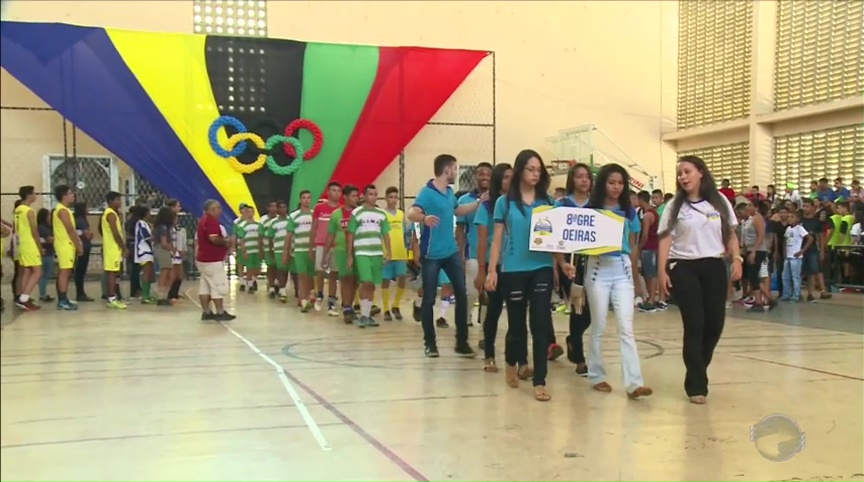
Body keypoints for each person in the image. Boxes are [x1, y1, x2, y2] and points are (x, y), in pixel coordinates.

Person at [657, 155, 742, 405]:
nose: (683, 177)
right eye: (680, 173)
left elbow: (731, 234)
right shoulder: (674, 206)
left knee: (714, 324)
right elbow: (665, 239)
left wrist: (736, 258)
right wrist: (662, 270)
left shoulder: (719, 201)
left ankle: (697, 368)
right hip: (684, 267)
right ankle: (696, 384)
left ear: (700, 173)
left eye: (687, 171)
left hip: (714, 265)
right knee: (695, 324)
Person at [564, 164, 652, 400]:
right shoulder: (591, 208)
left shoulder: (629, 210)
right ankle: (596, 375)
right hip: (597, 269)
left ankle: (634, 383)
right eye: (611, 182)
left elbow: (632, 244)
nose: (616, 187)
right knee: (599, 325)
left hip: (621, 268)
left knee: (626, 327)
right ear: (603, 183)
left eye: (620, 183)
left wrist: (635, 275)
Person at [486, 149, 554, 401]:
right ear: (519, 171)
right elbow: (496, 241)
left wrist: (561, 264)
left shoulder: (547, 202)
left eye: (539, 170)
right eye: (530, 169)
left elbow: (554, 240)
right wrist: (492, 270)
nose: (535, 174)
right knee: (517, 325)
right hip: (513, 269)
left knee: (540, 323)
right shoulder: (505, 203)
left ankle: (540, 381)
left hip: (541, 267)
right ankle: (511, 361)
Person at [407, 154, 485, 358]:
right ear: (447, 170)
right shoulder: (427, 193)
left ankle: (462, 341)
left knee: (461, 293)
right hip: (432, 254)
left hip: (450, 252)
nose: (456, 173)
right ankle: (430, 343)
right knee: (429, 297)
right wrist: (424, 217)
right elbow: (411, 213)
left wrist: (478, 203)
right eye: (455, 169)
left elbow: (458, 211)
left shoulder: (450, 193)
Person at [552, 163, 594, 376]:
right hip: (569, 264)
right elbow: (554, 238)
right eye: (579, 176)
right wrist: (558, 265)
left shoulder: (597, 206)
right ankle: (579, 358)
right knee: (578, 308)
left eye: (587, 176)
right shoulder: (561, 205)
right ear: (572, 180)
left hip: (593, 263)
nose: (584, 180)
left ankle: (571, 340)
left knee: (591, 313)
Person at [475, 163, 513, 373]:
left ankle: (514, 358)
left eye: (513, 176)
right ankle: (489, 354)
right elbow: (482, 241)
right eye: (506, 177)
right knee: (494, 310)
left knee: (516, 313)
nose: (511, 180)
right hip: (495, 265)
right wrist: (483, 269)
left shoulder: (520, 203)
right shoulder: (487, 206)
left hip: (515, 265)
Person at [347, 185, 392, 327]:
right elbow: (351, 234)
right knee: (365, 281)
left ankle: (366, 316)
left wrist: (388, 251)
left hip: (376, 253)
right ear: (364, 196)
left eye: (375, 194)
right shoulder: (356, 213)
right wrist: (350, 255)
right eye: (370, 194)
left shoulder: (381, 214)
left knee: (372, 284)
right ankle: (363, 314)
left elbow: (385, 234)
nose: (373, 196)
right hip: (362, 252)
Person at [456, 162, 493, 327]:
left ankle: (486, 324)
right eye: (481, 174)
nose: (484, 177)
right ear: (475, 177)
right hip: (472, 253)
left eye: (488, 174)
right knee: (471, 291)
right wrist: (460, 252)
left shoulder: (499, 199)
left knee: (490, 293)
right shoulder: (464, 200)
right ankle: (465, 318)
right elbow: (460, 229)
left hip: (494, 254)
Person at [322, 185, 361, 323]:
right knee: (345, 278)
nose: (355, 198)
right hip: (342, 250)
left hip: (358, 250)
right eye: (353, 196)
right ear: (345, 197)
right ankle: (346, 307)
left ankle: (350, 304)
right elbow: (330, 235)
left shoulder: (359, 213)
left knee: (355, 279)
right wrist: (325, 253)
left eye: (357, 196)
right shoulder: (336, 214)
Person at [196, 199, 236, 321]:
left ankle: (206, 311)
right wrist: (226, 241)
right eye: (218, 208)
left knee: (205, 286)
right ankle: (220, 311)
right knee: (217, 285)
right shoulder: (211, 220)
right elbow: (213, 239)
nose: (220, 210)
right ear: (213, 209)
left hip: (203, 259)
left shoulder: (203, 220)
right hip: (212, 259)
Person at [381, 186, 411, 321]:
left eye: (395, 197)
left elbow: (404, 233)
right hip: (387, 252)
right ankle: (386, 308)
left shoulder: (401, 214)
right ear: (386, 198)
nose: (393, 200)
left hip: (400, 252)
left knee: (402, 277)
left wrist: (407, 249)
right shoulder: (382, 214)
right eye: (391, 197)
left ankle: (396, 305)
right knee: (386, 280)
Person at [311, 182, 342, 314]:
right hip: (321, 244)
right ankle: (319, 294)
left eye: (338, 191)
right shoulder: (319, 208)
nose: (336, 193)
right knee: (320, 271)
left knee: (334, 273)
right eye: (333, 190)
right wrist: (311, 245)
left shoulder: (341, 210)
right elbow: (314, 227)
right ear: (328, 192)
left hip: (336, 246)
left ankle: (331, 300)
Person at [51, 185, 83, 311]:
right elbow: (70, 230)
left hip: (66, 245)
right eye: (70, 193)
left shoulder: (64, 210)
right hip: (65, 245)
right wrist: (78, 245)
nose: (73, 195)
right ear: (64, 196)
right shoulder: (62, 210)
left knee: (66, 272)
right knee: (64, 272)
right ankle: (62, 300)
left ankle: (63, 298)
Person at [285, 191, 316, 312]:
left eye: (308, 197)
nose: (306, 200)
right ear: (300, 199)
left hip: (312, 250)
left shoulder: (314, 214)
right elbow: (289, 235)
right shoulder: (294, 216)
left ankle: (309, 296)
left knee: (310, 276)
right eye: (304, 198)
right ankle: (303, 300)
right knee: (301, 275)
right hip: (299, 250)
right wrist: (286, 252)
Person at [14, 186, 42, 311]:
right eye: (34, 193)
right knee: (37, 271)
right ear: (29, 195)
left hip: (21, 243)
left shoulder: (18, 209)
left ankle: (22, 296)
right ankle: (24, 299)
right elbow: (34, 230)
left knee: (27, 270)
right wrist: (39, 246)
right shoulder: (29, 211)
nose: (35, 195)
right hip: (30, 244)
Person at [636, 190, 663, 312]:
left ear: (641, 200)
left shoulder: (647, 215)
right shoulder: (655, 213)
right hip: (655, 247)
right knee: (652, 273)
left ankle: (651, 300)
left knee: (649, 274)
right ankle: (652, 298)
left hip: (649, 248)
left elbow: (645, 234)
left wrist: (639, 248)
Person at [800, 198, 831, 301]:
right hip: (800, 248)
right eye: (804, 206)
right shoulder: (800, 220)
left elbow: (821, 236)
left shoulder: (817, 221)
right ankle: (797, 292)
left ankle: (810, 293)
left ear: (813, 208)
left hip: (813, 249)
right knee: (800, 271)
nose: (805, 209)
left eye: (807, 206)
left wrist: (822, 250)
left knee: (813, 270)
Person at [101, 191, 127, 309]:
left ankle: (113, 296)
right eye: (117, 200)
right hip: (112, 247)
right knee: (112, 273)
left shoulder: (114, 213)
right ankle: (111, 298)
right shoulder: (110, 214)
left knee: (115, 272)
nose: (119, 202)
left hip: (113, 247)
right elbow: (115, 233)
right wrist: (123, 247)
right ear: (110, 201)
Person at [780, 210, 812, 302]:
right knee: (785, 276)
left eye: (792, 217)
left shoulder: (799, 228)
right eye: (789, 217)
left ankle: (796, 295)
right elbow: (785, 240)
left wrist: (802, 251)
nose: (789, 219)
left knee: (795, 277)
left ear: (797, 219)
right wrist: (784, 252)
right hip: (788, 256)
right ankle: (786, 294)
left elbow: (810, 238)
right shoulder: (788, 229)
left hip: (796, 257)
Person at [152, 207, 177, 306]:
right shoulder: (164, 228)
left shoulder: (158, 227)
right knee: (165, 272)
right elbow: (164, 243)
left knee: (167, 272)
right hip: (163, 250)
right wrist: (172, 249)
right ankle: (161, 297)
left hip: (159, 249)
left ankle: (163, 296)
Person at [235, 204, 263, 294]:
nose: (250, 213)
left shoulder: (258, 224)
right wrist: (244, 251)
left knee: (258, 268)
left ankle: (253, 280)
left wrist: (261, 249)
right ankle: (250, 284)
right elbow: (242, 239)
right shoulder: (242, 225)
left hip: (256, 249)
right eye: (248, 212)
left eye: (252, 211)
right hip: (249, 249)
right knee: (249, 268)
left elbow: (260, 237)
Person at [131, 205, 156, 304]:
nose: (151, 215)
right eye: (149, 213)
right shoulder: (141, 223)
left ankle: (147, 294)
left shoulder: (146, 224)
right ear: (145, 214)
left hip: (148, 250)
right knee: (146, 272)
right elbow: (146, 237)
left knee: (149, 272)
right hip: (143, 250)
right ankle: (144, 295)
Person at [73, 202, 94, 302]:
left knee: (80, 272)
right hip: (83, 248)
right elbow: (87, 235)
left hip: (83, 247)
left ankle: (80, 293)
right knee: (80, 271)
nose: (88, 209)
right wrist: (90, 234)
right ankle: (80, 293)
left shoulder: (78, 219)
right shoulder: (81, 220)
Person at [36, 208, 55, 302]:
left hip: (47, 252)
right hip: (46, 253)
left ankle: (43, 293)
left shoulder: (43, 227)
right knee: (45, 274)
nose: (50, 217)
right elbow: (50, 239)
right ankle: (42, 294)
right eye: (48, 215)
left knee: (44, 274)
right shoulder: (43, 227)